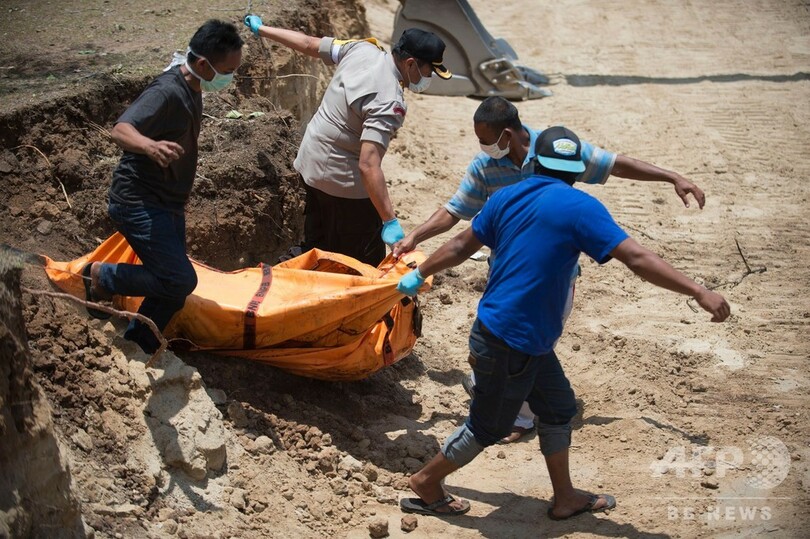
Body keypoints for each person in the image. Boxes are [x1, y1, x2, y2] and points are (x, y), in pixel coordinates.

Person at [395, 126, 730, 519]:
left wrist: (420, 274)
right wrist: (697, 291)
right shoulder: (581, 208)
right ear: (575, 172)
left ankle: (566, 496)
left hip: (519, 336)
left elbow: (457, 245)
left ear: (536, 160)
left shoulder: (506, 197)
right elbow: (637, 259)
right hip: (511, 340)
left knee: (557, 408)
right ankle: (426, 483)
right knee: (488, 425)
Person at [393, 95, 707, 444]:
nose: (483, 147)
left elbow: (616, 164)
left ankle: (517, 414)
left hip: (554, 276)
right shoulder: (485, 168)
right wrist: (414, 237)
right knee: (515, 340)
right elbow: (456, 213)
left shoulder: (558, 151)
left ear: (509, 134)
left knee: (527, 342)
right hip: (505, 269)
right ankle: (509, 403)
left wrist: (671, 177)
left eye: (487, 139)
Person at [81, 20, 244, 354]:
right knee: (180, 280)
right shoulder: (167, 91)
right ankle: (101, 277)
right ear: (202, 64)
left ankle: (139, 343)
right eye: (228, 70)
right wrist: (149, 146)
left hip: (167, 202)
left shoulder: (193, 85)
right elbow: (121, 129)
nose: (231, 78)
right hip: (138, 202)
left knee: (171, 283)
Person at [244, 15, 452, 265]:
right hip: (342, 183)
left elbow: (310, 43)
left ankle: (269, 281)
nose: (430, 77)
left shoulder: (362, 49)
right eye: (430, 71)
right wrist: (389, 220)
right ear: (410, 64)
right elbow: (368, 164)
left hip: (310, 162)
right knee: (363, 263)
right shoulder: (389, 101)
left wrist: (263, 29)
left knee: (316, 247)